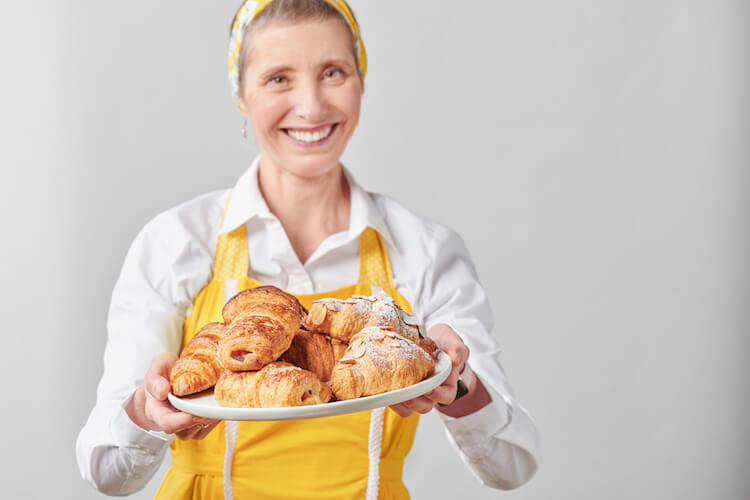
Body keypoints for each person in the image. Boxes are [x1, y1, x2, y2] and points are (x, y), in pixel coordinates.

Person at [76, 0, 540, 498]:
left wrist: (458, 380)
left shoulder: (422, 249)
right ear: (241, 95)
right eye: (278, 78)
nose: (312, 106)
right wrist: (148, 412)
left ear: (361, 81)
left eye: (333, 72)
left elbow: (512, 465)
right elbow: (107, 472)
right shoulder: (177, 241)